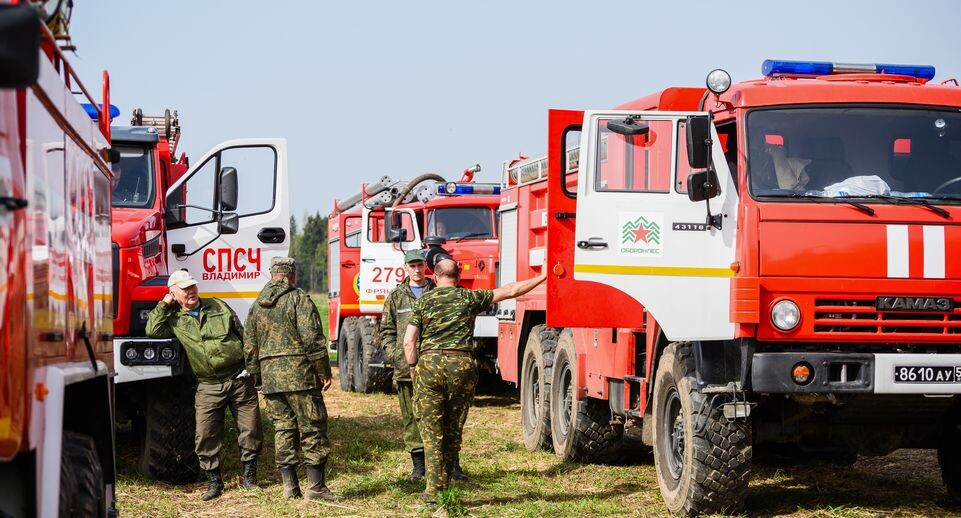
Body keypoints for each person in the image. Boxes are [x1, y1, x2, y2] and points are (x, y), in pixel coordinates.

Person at [404, 258, 547, 503]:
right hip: (461, 366)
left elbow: (409, 341)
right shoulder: (468, 298)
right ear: (458, 278)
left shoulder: (423, 301)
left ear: (435, 277)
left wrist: (413, 366)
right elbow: (510, 291)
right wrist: (542, 277)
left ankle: (433, 492)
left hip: (429, 366)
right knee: (452, 429)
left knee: (431, 432)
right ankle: (445, 487)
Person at [145, 269, 263, 501]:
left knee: (250, 430)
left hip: (239, 379)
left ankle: (249, 477)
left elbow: (242, 335)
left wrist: (254, 370)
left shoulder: (218, 306)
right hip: (208, 386)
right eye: (185, 288)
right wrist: (164, 304)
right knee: (206, 436)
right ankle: (214, 482)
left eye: (193, 286)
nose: (191, 291)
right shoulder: (174, 318)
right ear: (173, 293)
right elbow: (152, 330)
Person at [243, 257, 338, 501]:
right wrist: (323, 371)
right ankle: (316, 488)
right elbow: (312, 339)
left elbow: (250, 347)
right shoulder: (298, 299)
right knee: (312, 427)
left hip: (271, 378)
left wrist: (259, 377)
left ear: (271, 274)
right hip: (300, 376)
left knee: (283, 428)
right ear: (291, 276)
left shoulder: (256, 306)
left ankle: (290, 487)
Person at [379, 249, 437, 482]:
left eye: (420, 265)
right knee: (411, 417)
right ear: (405, 268)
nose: (416, 270)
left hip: (434, 365)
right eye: (412, 266)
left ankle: (448, 463)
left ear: (426, 266)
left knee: (438, 414)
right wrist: (395, 355)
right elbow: (386, 331)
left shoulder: (436, 292)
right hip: (405, 369)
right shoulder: (396, 296)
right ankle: (419, 466)